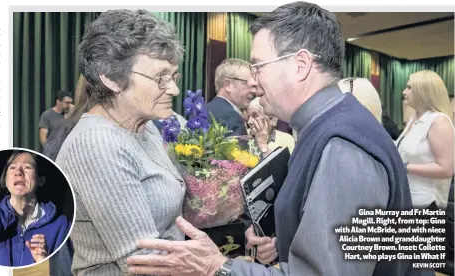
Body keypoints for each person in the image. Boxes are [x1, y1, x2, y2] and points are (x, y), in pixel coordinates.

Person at [127, 2, 427, 276]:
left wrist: (219, 266)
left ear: (300, 65)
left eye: (258, 65)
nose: (253, 80)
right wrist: (281, 243)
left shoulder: (343, 148)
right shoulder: (329, 126)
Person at [55, 9, 186, 275]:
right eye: (161, 77)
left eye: (173, 76)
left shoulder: (143, 126)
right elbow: (145, 264)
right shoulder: (97, 145)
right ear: (112, 78)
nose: (174, 89)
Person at [0, 150, 70, 267]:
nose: (19, 172)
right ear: (5, 180)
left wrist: (44, 263)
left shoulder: (61, 225)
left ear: (41, 180)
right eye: (12, 167)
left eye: (27, 167)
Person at [395, 70, 454, 210]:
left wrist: (405, 168)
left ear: (423, 91)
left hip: (428, 204)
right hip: (409, 199)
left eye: (409, 88)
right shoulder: (414, 118)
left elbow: (446, 169)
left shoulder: (439, 122)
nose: (404, 92)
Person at [207, 58, 258, 137]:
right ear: (228, 85)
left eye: (255, 86)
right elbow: (240, 150)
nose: (254, 91)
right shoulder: (231, 117)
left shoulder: (203, 111)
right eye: (249, 85)